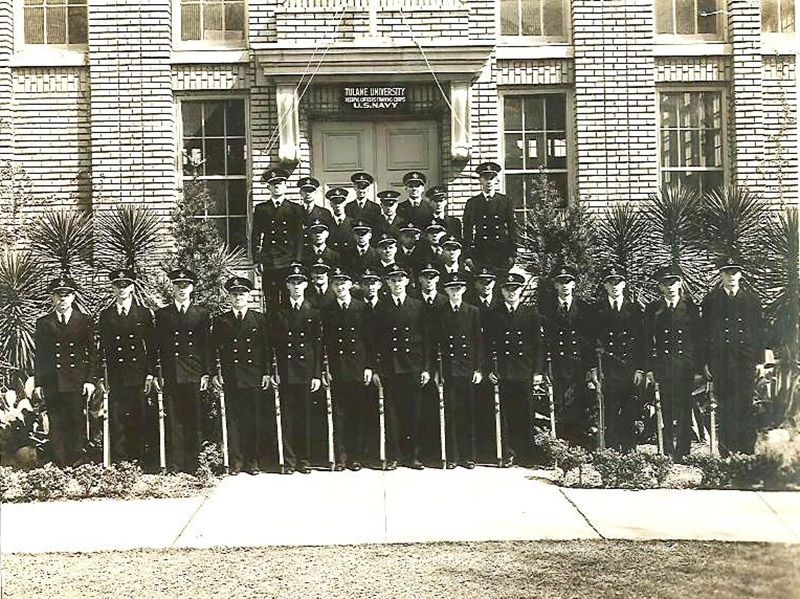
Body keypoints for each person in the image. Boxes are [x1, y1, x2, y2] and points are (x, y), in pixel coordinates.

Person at [701, 253, 765, 454]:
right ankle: (727, 451)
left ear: (741, 274)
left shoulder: (752, 300)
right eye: (727, 272)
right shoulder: (711, 300)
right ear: (720, 274)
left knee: (745, 405)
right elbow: (704, 333)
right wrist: (704, 363)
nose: (731, 276)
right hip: (721, 360)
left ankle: (747, 452)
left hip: (745, 360)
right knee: (725, 405)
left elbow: (759, 332)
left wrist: (760, 362)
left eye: (734, 272)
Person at [373, 264, 431, 469]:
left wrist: (425, 367)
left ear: (407, 281)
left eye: (400, 279)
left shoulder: (417, 306)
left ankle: (413, 456)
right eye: (393, 280)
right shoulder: (381, 307)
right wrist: (376, 368)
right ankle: (393, 456)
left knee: (413, 413)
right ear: (387, 283)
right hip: (390, 367)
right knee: (392, 414)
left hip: (412, 366)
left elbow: (426, 339)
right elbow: (375, 341)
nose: (397, 283)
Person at [154, 268, 212, 473]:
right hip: (171, 374)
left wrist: (207, 372)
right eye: (178, 286)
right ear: (173, 288)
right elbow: (157, 346)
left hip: (193, 373)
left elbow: (206, 346)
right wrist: (157, 372)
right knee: (174, 420)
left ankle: (194, 464)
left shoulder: (201, 314)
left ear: (192, 288)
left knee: (194, 418)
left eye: (185, 286)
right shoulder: (162, 314)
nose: (182, 290)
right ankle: (176, 464)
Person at [34, 276, 96, 467]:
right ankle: (60, 462)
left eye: (66, 296)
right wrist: (39, 383)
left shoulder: (84, 320)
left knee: (76, 420)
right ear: (52, 298)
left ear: (73, 297)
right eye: (58, 296)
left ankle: (77, 460)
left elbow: (93, 352)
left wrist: (90, 380)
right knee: (56, 421)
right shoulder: (44, 323)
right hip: (53, 380)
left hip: (75, 379)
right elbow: (40, 356)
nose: (62, 300)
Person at [97, 268, 156, 465]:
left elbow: (152, 347)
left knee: (139, 416)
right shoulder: (106, 316)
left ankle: (139, 459)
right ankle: (120, 460)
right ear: (112, 288)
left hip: (138, 374)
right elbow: (102, 348)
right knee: (117, 417)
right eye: (117, 286)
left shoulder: (144, 313)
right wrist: (100, 376)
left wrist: (150, 374)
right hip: (115, 375)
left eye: (125, 285)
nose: (121, 289)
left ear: (132, 287)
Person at [212, 276, 271, 475]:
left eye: (242, 294)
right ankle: (236, 461)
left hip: (253, 376)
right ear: (229, 296)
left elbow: (265, 349)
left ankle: (252, 461)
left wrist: (266, 373)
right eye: (234, 294)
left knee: (253, 418)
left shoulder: (259, 319)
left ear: (248, 295)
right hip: (231, 376)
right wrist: (216, 373)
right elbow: (214, 350)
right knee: (234, 419)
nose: (238, 297)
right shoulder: (222, 320)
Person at [485, 270, 544, 467]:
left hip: (524, 370)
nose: (512, 293)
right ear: (501, 291)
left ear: (520, 291)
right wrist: (489, 369)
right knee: (504, 414)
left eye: (515, 289)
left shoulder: (531, 314)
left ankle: (526, 453)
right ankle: (507, 452)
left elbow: (539, 345)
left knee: (525, 413)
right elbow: (487, 345)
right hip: (503, 371)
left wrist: (537, 372)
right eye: (508, 289)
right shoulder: (494, 314)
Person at [270, 264, 322, 474]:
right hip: (285, 372)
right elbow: (271, 345)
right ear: (287, 286)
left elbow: (318, 346)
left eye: (300, 282)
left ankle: (305, 459)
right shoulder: (278, 312)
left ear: (306, 284)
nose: (297, 286)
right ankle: (289, 461)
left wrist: (317, 374)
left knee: (305, 417)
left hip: (306, 371)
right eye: (293, 282)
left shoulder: (314, 311)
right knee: (288, 418)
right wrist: (274, 371)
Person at [644, 265, 700, 461]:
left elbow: (698, 340)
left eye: (673, 282)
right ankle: (666, 450)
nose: (669, 287)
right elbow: (646, 340)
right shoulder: (653, 309)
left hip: (685, 367)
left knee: (685, 408)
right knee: (665, 409)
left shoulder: (691, 309)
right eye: (665, 284)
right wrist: (650, 369)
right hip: (663, 366)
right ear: (659, 287)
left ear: (680, 283)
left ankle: (683, 451)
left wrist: (698, 368)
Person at [321, 267, 374, 471]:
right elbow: (324, 342)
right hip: (337, 368)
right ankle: (341, 456)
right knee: (339, 414)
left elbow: (370, 341)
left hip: (358, 367)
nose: (340, 286)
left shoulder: (362, 308)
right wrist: (326, 368)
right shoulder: (327, 310)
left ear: (350, 285)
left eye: (344, 282)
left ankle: (355, 457)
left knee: (357, 413)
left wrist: (369, 366)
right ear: (332, 287)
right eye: (336, 283)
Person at [590, 264, 645, 451]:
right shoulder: (596, 310)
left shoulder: (635, 309)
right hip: (607, 367)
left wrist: (640, 368)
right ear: (604, 286)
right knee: (610, 409)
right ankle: (612, 450)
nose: (614, 286)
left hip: (629, 368)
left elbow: (641, 342)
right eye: (610, 282)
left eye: (618, 282)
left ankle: (629, 448)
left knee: (630, 408)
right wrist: (594, 368)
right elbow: (592, 342)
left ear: (624, 284)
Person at [539, 263, 594, 449]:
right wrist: (543, 368)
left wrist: (590, 368)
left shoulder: (585, 309)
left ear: (574, 284)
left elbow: (590, 342)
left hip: (578, 366)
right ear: (555, 285)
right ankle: (560, 447)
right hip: (557, 365)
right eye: (560, 282)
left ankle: (577, 447)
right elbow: (542, 341)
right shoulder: (545, 310)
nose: (564, 285)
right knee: (558, 406)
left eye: (568, 281)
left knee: (578, 406)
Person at [434, 272, 483, 469]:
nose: (455, 292)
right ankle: (452, 456)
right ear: (446, 291)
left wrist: (479, 368)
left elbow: (478, 342)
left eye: (458, 288)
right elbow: (434, 344)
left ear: (463, 290)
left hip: (467, 369)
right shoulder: (440, 313)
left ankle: (468, 456)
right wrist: (436, 370)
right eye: (451, 289)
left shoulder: (472, 312)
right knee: (450, 413)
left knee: (467, 413)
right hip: (447, 370)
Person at [252, 168, 305, 313]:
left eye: (280, 183)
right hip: (270, 261)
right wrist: (257, 260)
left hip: (289, 260)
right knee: (271, 300)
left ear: (286, 186)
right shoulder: (262, 209)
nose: (277, 186)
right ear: (268, 187)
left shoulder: (296, 209)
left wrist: (298, 260)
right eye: (273, 184)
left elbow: (300, 236)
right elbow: (256, 235)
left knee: (289, 299)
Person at [463, 161, 517, 270]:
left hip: (501, 253)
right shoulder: (472, 203)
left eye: (492, 178)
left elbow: (512, 229)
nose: (489, 181)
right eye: (485, 178)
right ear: (480, 180)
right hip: (480, 252)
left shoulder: (505, 201)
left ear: (496, 180)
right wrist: (467, 256)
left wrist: (512, 254)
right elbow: (467, 231)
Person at [327, 187, 354, 255]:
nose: (338, 205)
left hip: (349, 259)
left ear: (345, 203)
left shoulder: (352, 223)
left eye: (340, 202)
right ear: (330, 204)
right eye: (335, 202)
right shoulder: (327, 224)